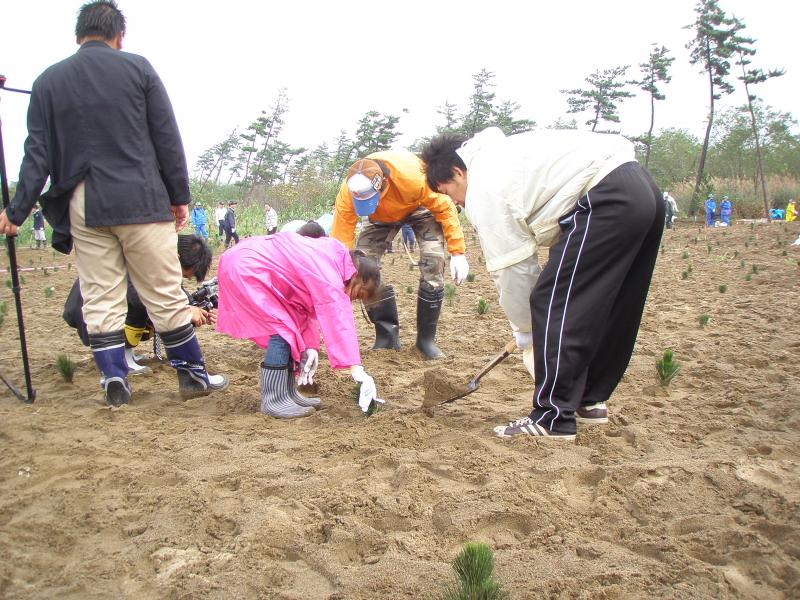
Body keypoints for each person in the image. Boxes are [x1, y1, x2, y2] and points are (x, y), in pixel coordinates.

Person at [0, 1, 227, 406]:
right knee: (163, 292)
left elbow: (36, 154)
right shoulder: (138, 68)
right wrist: (179, 198)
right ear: (119, 36)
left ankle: (113, 380)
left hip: (84, 201)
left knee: (100, 295)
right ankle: (192, 377)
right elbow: (166, 137)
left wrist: (17, 210)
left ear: (78, 35)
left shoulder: (48, 81)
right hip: (141, 197)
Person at [421, 127, 664, 440]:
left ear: (458, 172)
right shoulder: (505, 156)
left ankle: (552, 417)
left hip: (606, 197)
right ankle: (588, 401)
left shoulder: (484, 185)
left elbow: (513, 269)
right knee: (611, 303)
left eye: (448, 191)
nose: (454, 203)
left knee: (552, 300)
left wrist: (525, 329)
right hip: (642, 189)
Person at [215, 232, 383, 418]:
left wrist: (311, 347)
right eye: (359, 294)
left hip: (247, 262)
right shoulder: (329, 272)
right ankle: (274, 399)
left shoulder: (334, 258)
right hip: (247, 267)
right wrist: (356, 368)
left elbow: (306, 311)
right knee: (283, 329)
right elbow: (337, 317)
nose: (352, 299)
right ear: (359, 277)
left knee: (289, 326)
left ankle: (287, 393)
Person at [330, 152, 469, 359]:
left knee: (433, 260)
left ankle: (425, 341)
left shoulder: (414, 178)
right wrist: (342, 269)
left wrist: (457, 252)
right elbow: (341, 237)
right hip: (379, 217)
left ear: (384, 183)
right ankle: (386, 336)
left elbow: (444, 208)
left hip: (420, 207)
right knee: (361, 265)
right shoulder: (348, 192)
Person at [63, 234, 216, 376]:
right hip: (90, 314)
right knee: (147, 308)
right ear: (177, 257)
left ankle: (125, 352)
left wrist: (199, 310)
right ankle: (122, 359)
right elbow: (137, 298)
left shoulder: (160, 259)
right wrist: (184, 310)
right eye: (182, 274)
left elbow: (176, 293)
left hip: (100, 311)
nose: (180, 277)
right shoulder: (141, 259)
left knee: (164, 309)